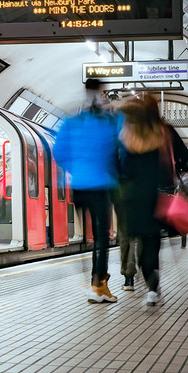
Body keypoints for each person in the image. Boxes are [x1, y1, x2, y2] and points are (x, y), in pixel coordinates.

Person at [54, 78, 121, 304]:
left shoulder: (71, 121)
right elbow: (119, 149)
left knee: (90, 238)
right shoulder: (108, 121)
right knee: (102, 238)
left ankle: (95, 283)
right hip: (102, 185)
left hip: (80, 187)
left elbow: (59, 152)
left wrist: (76, 170)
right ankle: (97, 286)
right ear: (101, 92)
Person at [117, 94, 174, 306]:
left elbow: (122, 168)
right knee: (151, 243)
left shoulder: (127, 137)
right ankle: (152, 288)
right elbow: (182, 157)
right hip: (156, 198)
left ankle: (134, 278)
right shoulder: (162, 133)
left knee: (133, 240)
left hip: (132, 199)